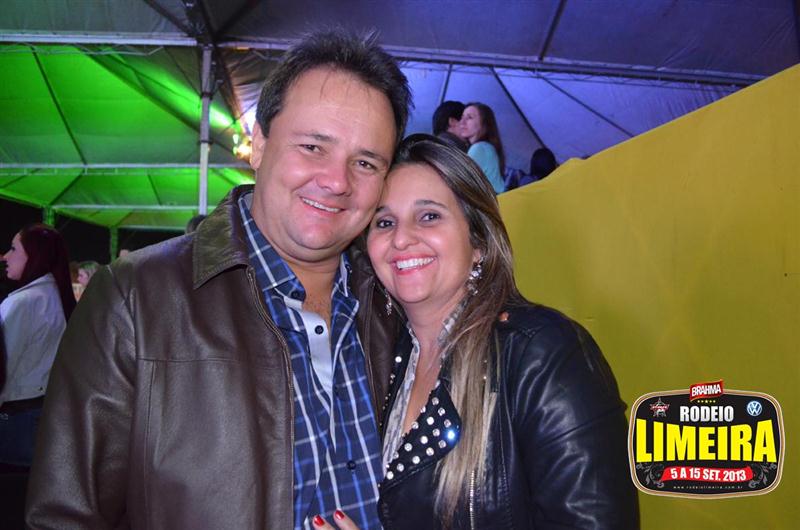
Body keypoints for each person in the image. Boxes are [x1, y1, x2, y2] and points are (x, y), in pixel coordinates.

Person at [26, 29, 411, 530]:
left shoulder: (395, 305)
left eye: (365, 162)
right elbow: (64, 516)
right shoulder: (135, 299)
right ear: (259, 144)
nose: (338, 181)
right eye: (314, 146)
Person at [315, 136, 639, 529]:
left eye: (429, 216)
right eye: (384, 223)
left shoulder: (544, 354)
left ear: (479, 242)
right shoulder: (381, 356)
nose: (401, 238)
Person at [0, 224, 75, 468]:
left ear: (35, 255)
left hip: (15, 422)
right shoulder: (57, 296)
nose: (5, 256)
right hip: (44, 416)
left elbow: (4, 368)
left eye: (13, 249)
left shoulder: (22, 303)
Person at [459, 102, 506, 194]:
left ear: (484, 124)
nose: (462, 122)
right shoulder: (486, 147)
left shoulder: (479, 148)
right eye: (462, 117)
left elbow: (461, 183)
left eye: (469, 117)